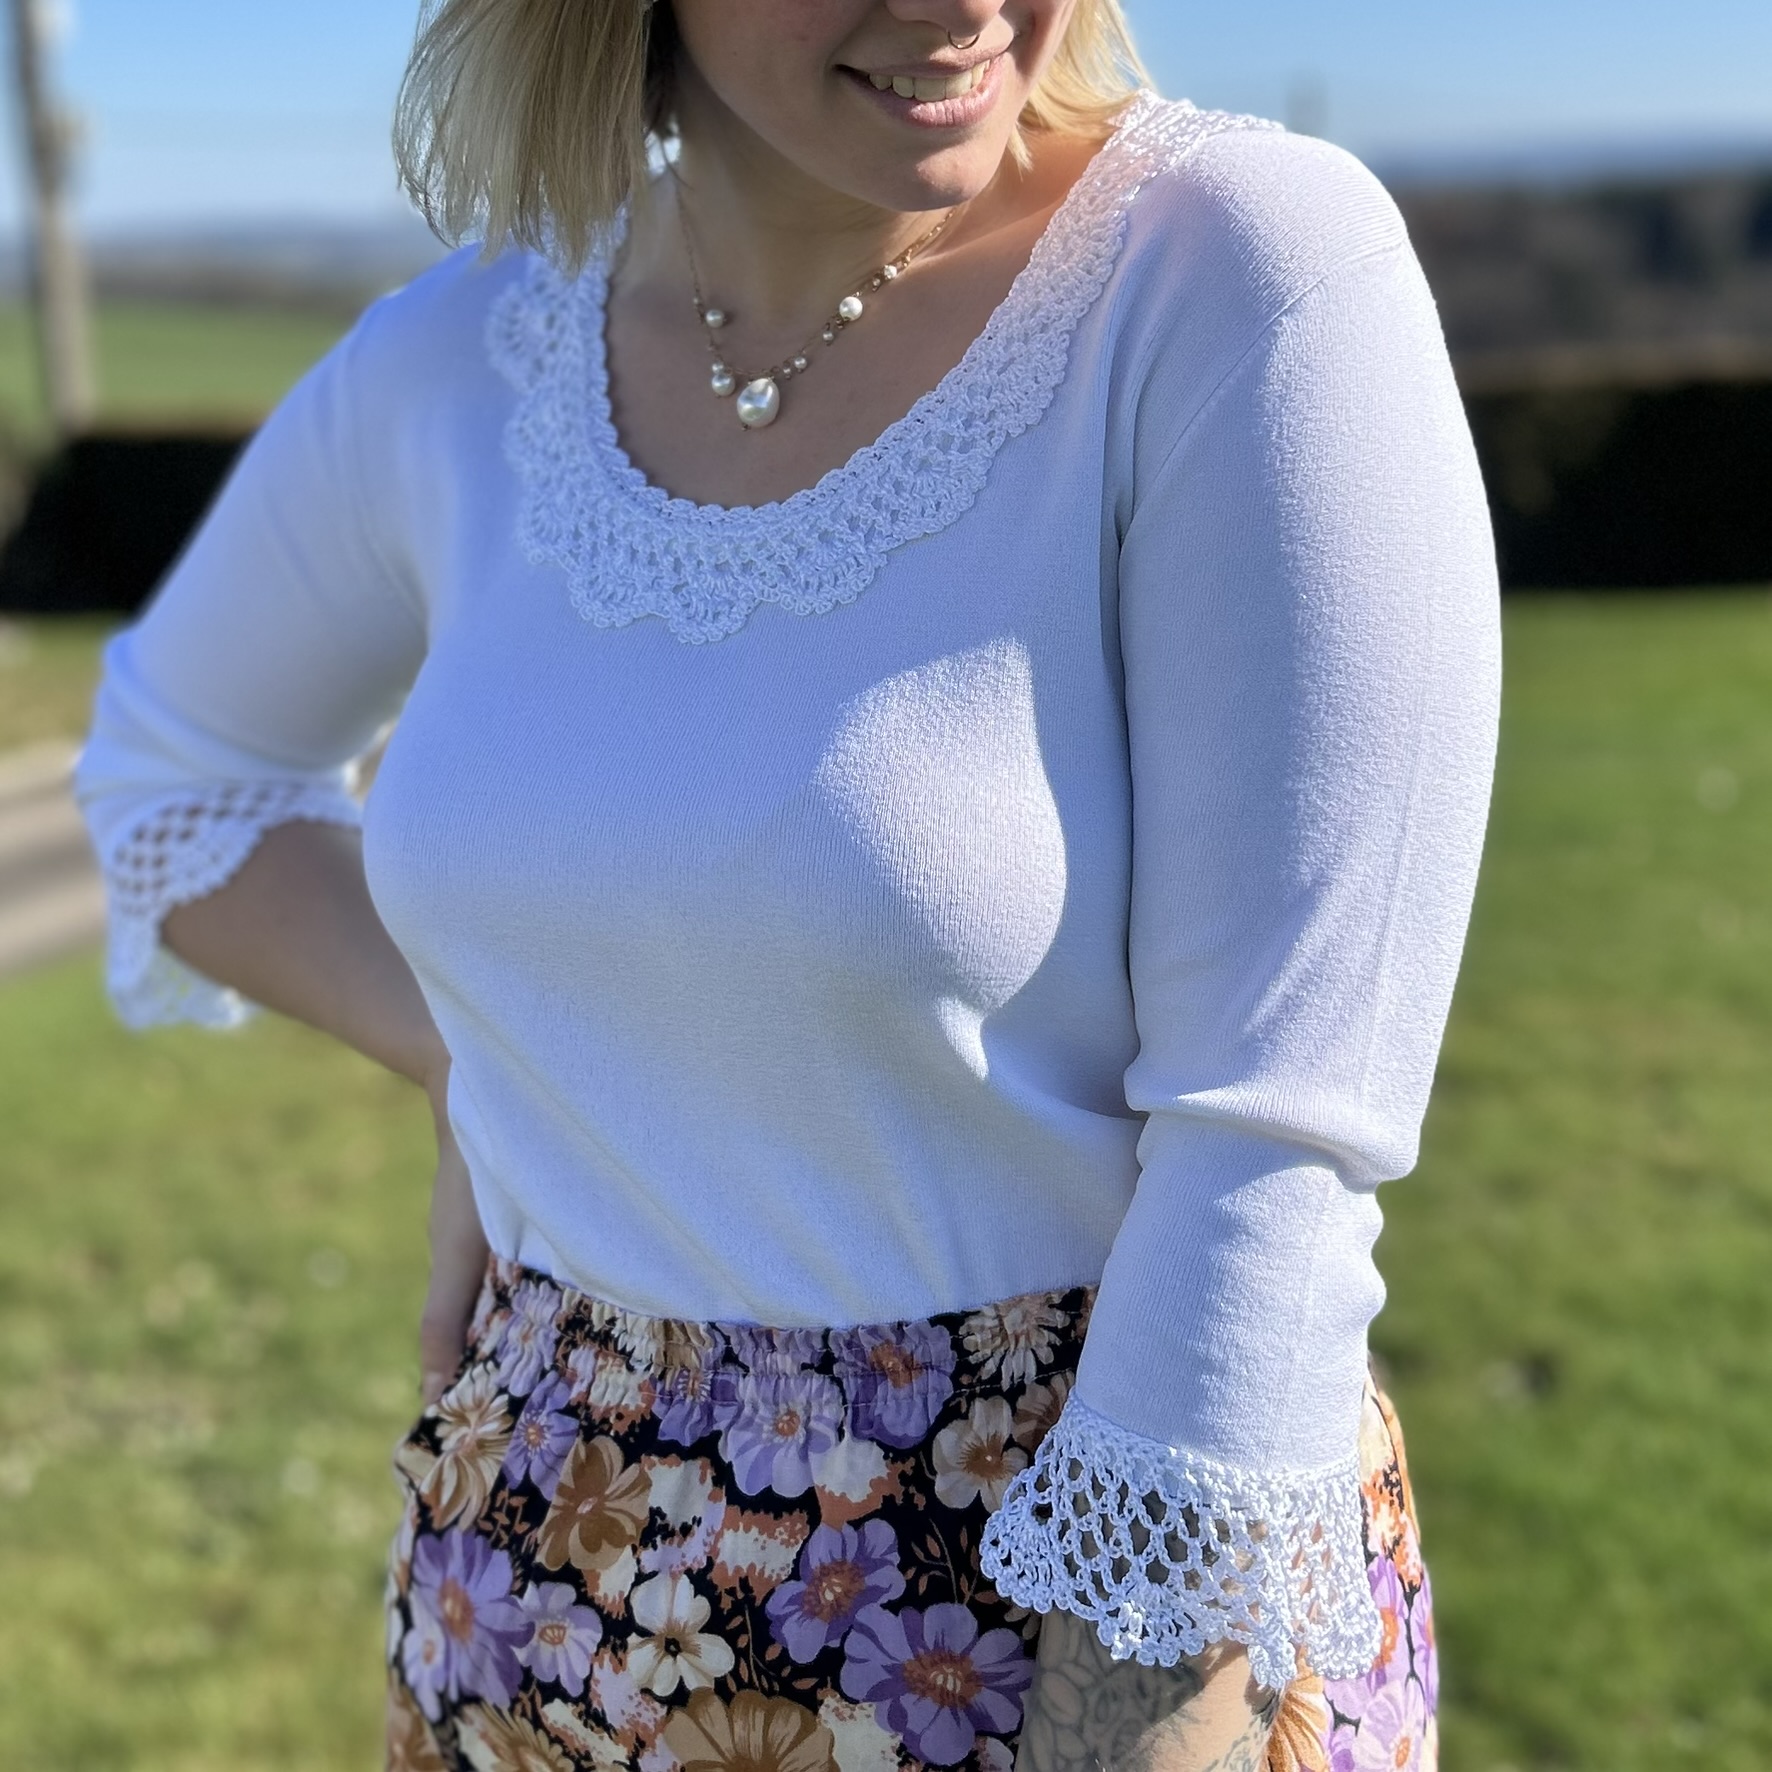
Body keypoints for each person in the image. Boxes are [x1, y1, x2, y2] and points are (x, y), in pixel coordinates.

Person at [73, 2, 1500, 1768]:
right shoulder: (463, 362)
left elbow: (1268, 1172)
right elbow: (176, 780)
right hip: (528, 1634)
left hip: (1083, 1629)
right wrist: (486, 1055)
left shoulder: (1229, 273)